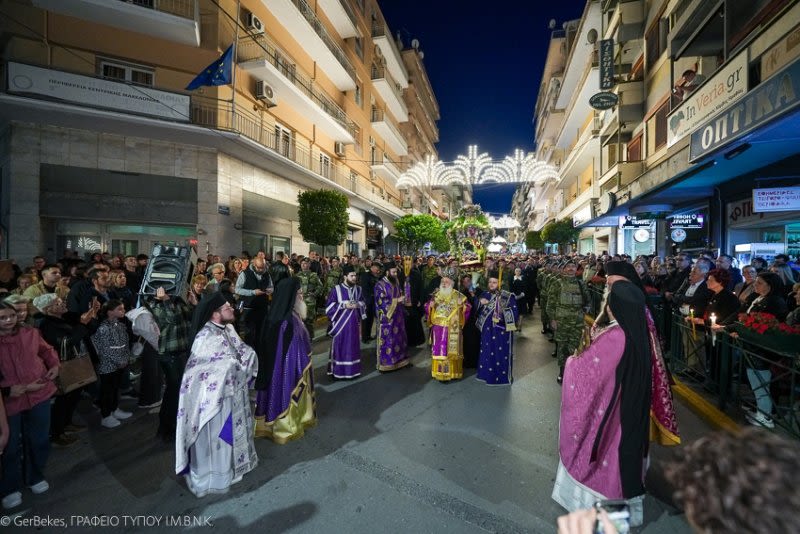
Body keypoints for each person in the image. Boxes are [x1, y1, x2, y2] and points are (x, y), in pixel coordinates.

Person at [552, 281, 651, 527]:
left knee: (608, 460)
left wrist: (572, 362)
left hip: (611, 414)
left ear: (612, 306)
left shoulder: (616, 336)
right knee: (621, 460)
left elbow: (588, 373)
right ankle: (621, 516)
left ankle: (607, 521)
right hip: (628, 409)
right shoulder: (639, 331)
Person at [176, 292, 258, 497]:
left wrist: (245, 358)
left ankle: (234, 468)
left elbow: (242, 350)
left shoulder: (228, 329)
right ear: (215, 313)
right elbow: (200, 372)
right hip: (215, 403)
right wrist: (231, 366)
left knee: (230, 437)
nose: (232, 309)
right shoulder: (205, 337)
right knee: (218, 440)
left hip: (234, 396)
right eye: (227, 307)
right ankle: (215, 478)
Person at [0, 302, 59, 510]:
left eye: (12, 315)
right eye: (2, 317)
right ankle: (9, 487)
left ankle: (35, 476)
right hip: (7, 403)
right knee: (9, 447)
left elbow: (46, 350)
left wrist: (54, 364)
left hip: (39, 393)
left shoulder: (30, 332)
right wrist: (7, 390)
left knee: (39, 439)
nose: (9, 320)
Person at [254, 277, 316, 443]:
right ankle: (285, 427)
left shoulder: (288, 315)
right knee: (285, 394)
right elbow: (291, 351)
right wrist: (298, 366)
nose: (302, 296)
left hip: (282, 369)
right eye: (299, 293)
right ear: (290, 297)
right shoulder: (286, 322)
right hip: (287, 370)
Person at [142, 286, 196, 442]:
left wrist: (193, 303)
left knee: (177, 391)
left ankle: (172, 426)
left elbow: (192, 319)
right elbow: (171, 319)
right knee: (173, 391)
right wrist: (165, 300)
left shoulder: (177, 300)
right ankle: (165, 428)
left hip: (182, 351)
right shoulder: (153, 303)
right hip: (169, 354)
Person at [90, 299, 133, 429]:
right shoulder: (103, 328)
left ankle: (114, 409)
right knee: (107, 390)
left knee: (115, 389)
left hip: (120, 364)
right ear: (110, 312)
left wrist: (125, 359)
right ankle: (106, 415)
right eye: (119, 309)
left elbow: (124, 344)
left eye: (123, 308)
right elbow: (105, 349)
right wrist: (119, 361)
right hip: (107, 366)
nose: (123, 311)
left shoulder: (119, 325)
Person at [475, 271, 519, 385]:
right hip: (487, 331)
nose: (491, 284)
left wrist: (501, 313)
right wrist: (480, 303)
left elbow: (514, 314)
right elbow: (476, 309)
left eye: (494, 282)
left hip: (501, 331)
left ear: (500, 283)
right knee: (487, 352)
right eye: (490, 282)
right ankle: (485, 375)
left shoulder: (507, 296)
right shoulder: (485, 294)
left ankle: (500, 378)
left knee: (500, 354)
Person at [425, 274, 470, 382]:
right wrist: (430, 306)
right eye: (442, 282)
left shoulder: (459, 296)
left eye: (446, 282)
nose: (444, 284)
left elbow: (468, 308)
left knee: (449, 351)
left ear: (452, 284)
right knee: (439, 351)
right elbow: (427, 306)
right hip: (438, 328)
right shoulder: (436, 295)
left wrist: (462, 306)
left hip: (452, 328)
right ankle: (439, 373)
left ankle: (453, 373)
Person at [325, 265, 366, 379]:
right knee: (340, 347)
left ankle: (353, 371)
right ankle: (339, 372)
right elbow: (329, 307)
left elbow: (363, 302)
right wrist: (344, 305)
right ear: (345, 277)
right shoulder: (336, 289)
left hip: (354, 325)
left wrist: (358, 304)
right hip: (341, 326)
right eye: (351, 276)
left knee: (353, 347)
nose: (354, 278)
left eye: (355, 276)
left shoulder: (358, 289)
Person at [374, 261, 410, 372]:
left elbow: (400, 293)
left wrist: (404, 297)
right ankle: (387, 364)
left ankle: (401, 360)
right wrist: (397, 300)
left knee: (399, 338)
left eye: (396, 272)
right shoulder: (380, 285)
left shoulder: (396, 282)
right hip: (387, 318)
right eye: (393, 272)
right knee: (389, 340)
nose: (395, 274)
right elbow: (381, 302)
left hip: (398, 316)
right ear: (387, 272)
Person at [401, 256, 426, 348]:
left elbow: (421, 289)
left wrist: (421, 300)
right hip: (403, 304)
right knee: (404, 324)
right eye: (406, 264)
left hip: (414, 302)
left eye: (409, 264)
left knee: (415, 323)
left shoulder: (416, 274)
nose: (407, 266)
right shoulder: (399, 275)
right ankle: (405, 341)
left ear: (412, 265)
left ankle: (415, 341)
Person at [296, 258, 323, 339]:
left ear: (309, 265)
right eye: (302, 264)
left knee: (309, 320)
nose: (304, 265)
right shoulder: (297, 275)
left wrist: (315, 294)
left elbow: (320, 286)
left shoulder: (314, 275)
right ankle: (302, 337)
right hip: (300, 300)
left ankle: (310, 337)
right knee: (300, 319)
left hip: (310, 300)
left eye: (306, 263)